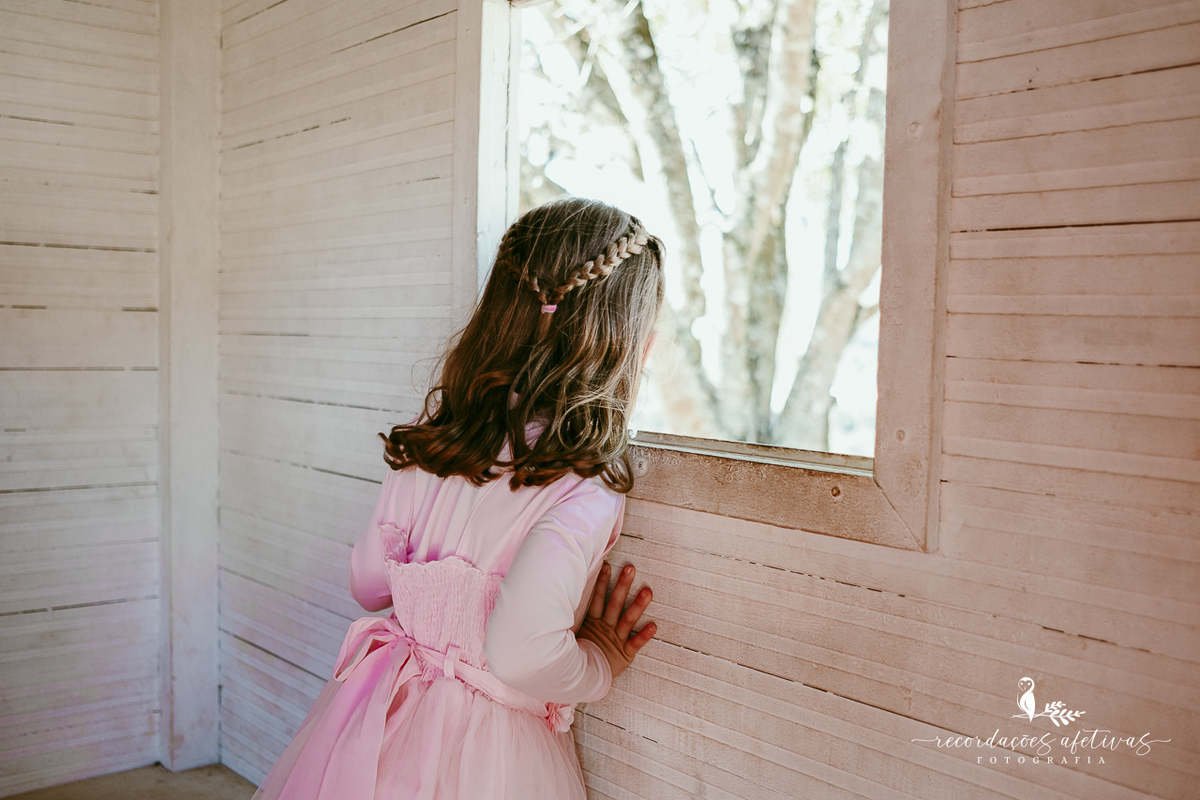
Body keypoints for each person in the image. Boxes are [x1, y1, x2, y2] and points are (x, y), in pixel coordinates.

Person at [251, 197, 665, 800]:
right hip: (488, 757)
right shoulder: (584, 482)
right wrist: (598, 662)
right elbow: (520, 654)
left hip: (381, 721)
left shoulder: (436, 440)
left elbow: (369, 584)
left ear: (496, 314)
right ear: (634, 347)